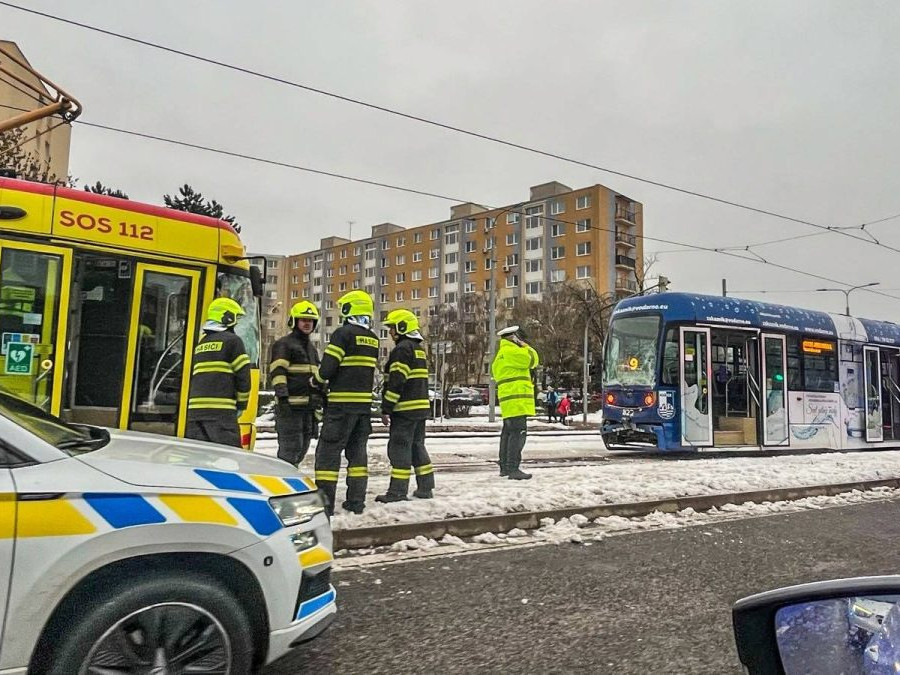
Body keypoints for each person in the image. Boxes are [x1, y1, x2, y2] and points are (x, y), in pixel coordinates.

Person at [311, 290, 379, 515]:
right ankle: (356, 501)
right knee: (357, 455)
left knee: (328, 454)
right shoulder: (373, 339)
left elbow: (328, 367)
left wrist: (316, 380)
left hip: (340, 407)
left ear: (349, 309)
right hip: (363, 409)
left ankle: (324, 505)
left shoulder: (343, 334)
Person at [375, 309, 434, 503]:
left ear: (402, 327)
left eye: (392, 328)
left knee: (399, 449)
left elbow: (397, 381)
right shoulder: (418, 349)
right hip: (420, 409)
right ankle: (426, 487)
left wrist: (386, 407)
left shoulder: (402, 349)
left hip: (405, 410)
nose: (391, 332)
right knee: (418, 447)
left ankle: (397, 492)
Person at [185, 297, 251, 448]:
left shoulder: (201, 343)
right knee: (228, 459)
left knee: (200, 458)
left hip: (195, 414)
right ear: (227, 317)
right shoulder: (233, 341)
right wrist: (241, 404)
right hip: (221, 414)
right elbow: (243, 377)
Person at [268, 301, 322, 467]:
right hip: (290, 409)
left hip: (307, 410)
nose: (307, 323)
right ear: (294, 321)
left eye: (311, 320)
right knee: (289, 452)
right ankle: (282, 487)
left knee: (301, 450)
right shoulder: (284, 344)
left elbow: (317, 379)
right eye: (303, 320)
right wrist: (282, 398)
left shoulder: (312, 349)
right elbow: (278, 373)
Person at [491, 325, 540, 480]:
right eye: (519, 338)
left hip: (508, 401)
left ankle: (505, 467)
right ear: (514, 338)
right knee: (518, 434)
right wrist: (525, 346)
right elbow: (533, 360)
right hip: (517, 399)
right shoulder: (514, 352)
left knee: (507, 433)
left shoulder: (500, 355)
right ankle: (513, 468)